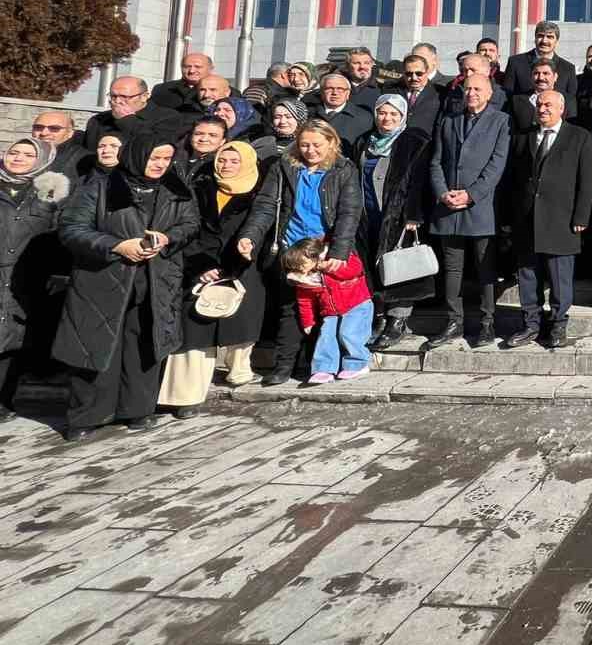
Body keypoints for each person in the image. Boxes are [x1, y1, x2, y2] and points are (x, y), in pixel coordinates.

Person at [53, 133, 200, 440]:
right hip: (103, 280)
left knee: (144, 344)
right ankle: (88, 415)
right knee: (96, 346)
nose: (160, 164)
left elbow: (190, 224)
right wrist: (117, 246)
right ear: (136, 155)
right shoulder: (102, 186)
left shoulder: (177, 188)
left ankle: (137, 409)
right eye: (154, 157)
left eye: (165, 158)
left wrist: (167, 239)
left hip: (156, 280)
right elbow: (71, 229)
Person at [238, 118, 363, 386]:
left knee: (325, 307)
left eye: (316, 145)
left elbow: (349, 213)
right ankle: (284, 365)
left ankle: (316, 363)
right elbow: (266, 205)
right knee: (290, 307)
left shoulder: (344, 169)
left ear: (331, 142)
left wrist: (339, 252)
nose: (310, 150)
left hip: (324, 248)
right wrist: (250, 235)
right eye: (304, 144)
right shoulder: (284, 166)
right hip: (291, 247)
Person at [162, 140, 268, 414]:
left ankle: (239, 372)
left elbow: (262, 229)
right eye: (223, 160)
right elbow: (186, 228)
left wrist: (241, 256)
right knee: (194, 328)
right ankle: (183, 396)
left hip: (243, 266)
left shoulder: (261, 193)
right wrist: (200, 264)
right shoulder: (199, 189)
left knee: (241, 322)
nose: (226, 166)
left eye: (234, 161)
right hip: (201, 266)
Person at [426, 74, 511, 351]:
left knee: (485, 268)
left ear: (489, 93)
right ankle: (454, 321)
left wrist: (472, 194)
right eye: (468, 88)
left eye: (477, 89)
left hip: (480, 206)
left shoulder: (500, 121)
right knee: (452, 269)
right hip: (448, 205)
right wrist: (442, 193)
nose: (471, 93)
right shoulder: (449, 120)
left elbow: (497, 165)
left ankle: (487, 322)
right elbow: (436, 162)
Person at [508, 89, 592, 348]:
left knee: (559, 276)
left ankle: (558, 325)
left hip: (562, 218)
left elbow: (586, 180)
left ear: (561, 109)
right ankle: (531, 324)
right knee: (527, 274)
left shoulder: (579, 136)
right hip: (526, 218)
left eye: (548, 105)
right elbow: (512, 179)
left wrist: (581, 215)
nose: (542, 109)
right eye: (540, 105)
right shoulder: (523, 138)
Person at [354, 96, 435, 351]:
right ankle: (379, 316)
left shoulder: (414, 141)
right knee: (374, 268)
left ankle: (398, 320)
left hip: (400, 216)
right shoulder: (365, 141)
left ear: (402, 116)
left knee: (401, 268)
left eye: (392, 114)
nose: (386, 119)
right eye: (382, 113)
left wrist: (413, 215)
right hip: (368, 214)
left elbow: (418, 182)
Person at [0, 139, 72, 421]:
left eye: (28, 154)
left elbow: (61, 235)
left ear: (42, 159)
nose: (18, 158)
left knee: (18, 339)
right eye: (13, 152)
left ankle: (5, 399)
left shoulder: (53, 191)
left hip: (28, 276)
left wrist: (59, 272)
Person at [280, 238, 374, 383]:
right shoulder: (304, 278)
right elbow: (305, 300)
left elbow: (355, 269)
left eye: (300, 264)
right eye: (294, 267)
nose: (298, 269)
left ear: (313, 257)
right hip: (330, 311)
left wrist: (327, 267)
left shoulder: (336, 258)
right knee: (326, 336)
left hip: (357, 304)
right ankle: (323, 368)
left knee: (348, 334)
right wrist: (307, 322)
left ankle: (357, 364)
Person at [504, 21, 581, 112]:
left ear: (556, 41)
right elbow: (507, 96)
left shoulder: (568, 68)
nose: (544, 41)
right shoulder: (516, 62)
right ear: (535, 38)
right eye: (540, 36)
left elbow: (570, 102)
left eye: (550, 37)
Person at [314, 73, 374, 153]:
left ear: (348, 93)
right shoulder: (309, 113)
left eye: (340, 89)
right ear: (321, 92)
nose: (335, 93)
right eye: (329, 88)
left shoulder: (364, 117)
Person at [29, 110, 87, 181]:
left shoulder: (83, 160)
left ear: (70, 133)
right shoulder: (21, 151)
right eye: (38, 127)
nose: (44, 133)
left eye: (54, 128)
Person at [254, 97, 307, 163]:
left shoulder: (307, 144)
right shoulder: (263, 143)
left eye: (288, 117)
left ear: (300, 119)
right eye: (277, 117)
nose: (282, 121)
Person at [179, 115, 229, 183]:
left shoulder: (223, 165)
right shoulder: (173, 157)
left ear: (222, 141)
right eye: (198, 134)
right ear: (191, 136)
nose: (204, 139)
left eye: (212, 135)